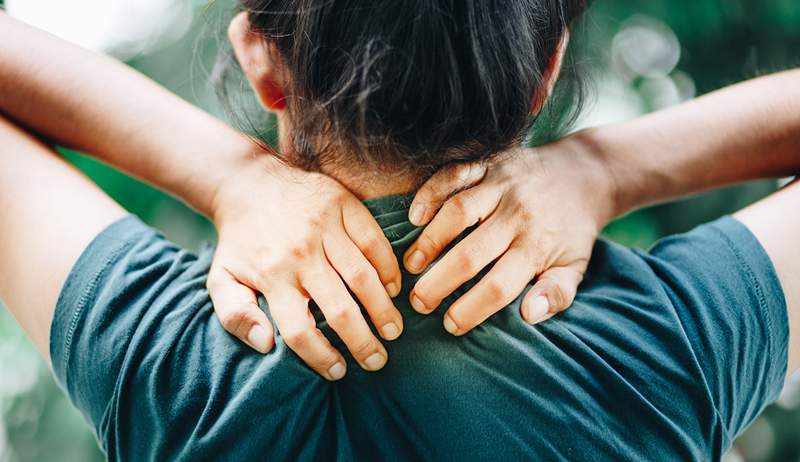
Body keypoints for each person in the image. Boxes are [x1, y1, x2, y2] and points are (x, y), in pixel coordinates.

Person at [0, 2, 798, 461]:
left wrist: (227, 176)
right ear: (545, 71)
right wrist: (605, 170)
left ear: (262, 61)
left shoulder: (168, 362)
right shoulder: (662, 349)